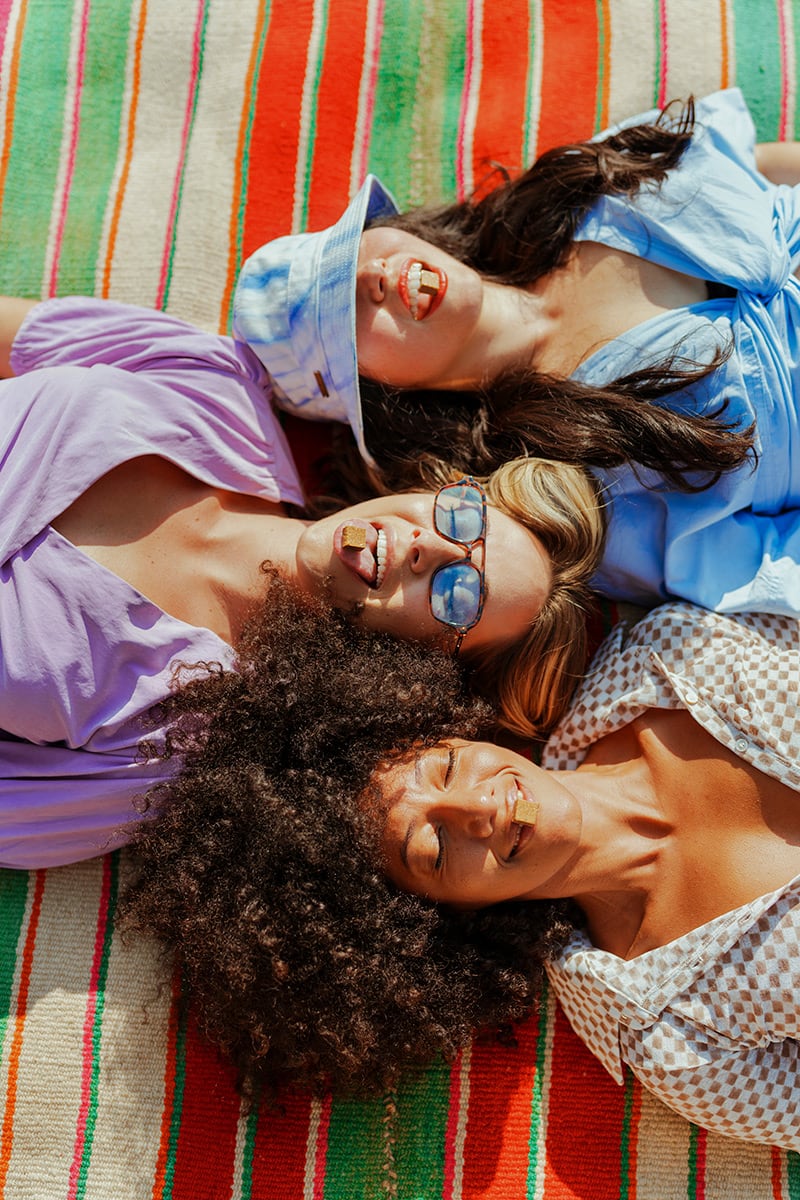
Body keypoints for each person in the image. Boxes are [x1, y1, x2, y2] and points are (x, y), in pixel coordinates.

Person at [123, 586, 800, 1149]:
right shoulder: (670, 1033)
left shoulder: (663, 659)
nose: (476, 806)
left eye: (445, 765)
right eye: (434, 848)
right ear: (439, 919)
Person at [0, 296, 603, 868]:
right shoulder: (216, 383)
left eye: (460, 593)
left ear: (429, 666)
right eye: (462, 515)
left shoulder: (167, 742)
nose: (432, 545)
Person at [234, 88, 800, 616]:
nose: (372, 278)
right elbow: (764, 560)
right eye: (346, 317)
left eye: (353, 250)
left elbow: (757, 163)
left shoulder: (575, 190)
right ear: (384, 394)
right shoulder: (576, 475)